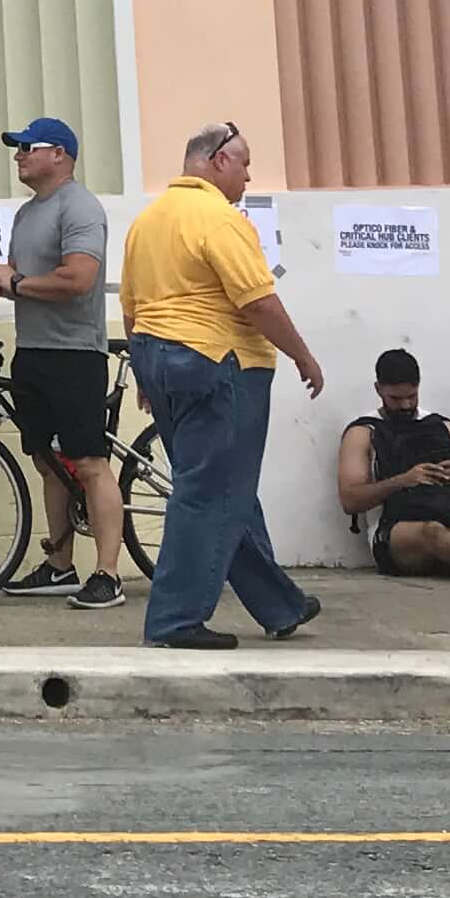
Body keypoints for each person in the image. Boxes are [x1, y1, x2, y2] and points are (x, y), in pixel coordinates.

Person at [118, 119, 326, 652]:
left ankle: (280, 605)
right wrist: (302, 356)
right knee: (208, 494)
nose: (249, 177)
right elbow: (256, 300)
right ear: (217, 161)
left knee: (223, 489)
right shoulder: (221, 219)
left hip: (159, 358)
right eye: (245, 163)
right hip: (219, 362)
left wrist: (146, 376)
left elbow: (131, 306)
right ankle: (174, 620)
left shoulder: (148, 220)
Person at [0, 115, 127, 611]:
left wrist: (16, 283)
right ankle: (60, 567)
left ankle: (108, 574)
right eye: (16, 148)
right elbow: (29, 277)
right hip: (34, 349)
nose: (18, 155)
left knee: (88, 462)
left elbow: (78, 279)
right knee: (46, 462)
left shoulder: (80, 208)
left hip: (75, 353)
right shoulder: (25, 214)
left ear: (58, 153)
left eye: (26, 147)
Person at [335, 348, 450, 583]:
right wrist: (403, 480)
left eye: (412, 396)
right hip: (396, 531)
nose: (406, 405)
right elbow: (350, 500)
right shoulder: (364, 432)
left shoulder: (444, 427)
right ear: (378, 390)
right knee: (432, 532)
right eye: (395, 399)